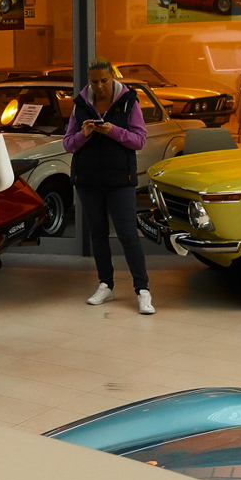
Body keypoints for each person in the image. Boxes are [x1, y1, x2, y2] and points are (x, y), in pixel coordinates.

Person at [63, 58, 154, 316]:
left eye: (104, 80)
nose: (100, 86)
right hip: (88, 180)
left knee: (128, 235)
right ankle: (106, 284)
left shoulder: (129, 102)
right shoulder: (80, 104)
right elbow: (68, 144)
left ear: (112, 77)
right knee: (98, 235)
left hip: (120, 180)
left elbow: (139, 140)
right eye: (95, 82)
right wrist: (83, 135)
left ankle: (142, 290)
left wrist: (113, 131)